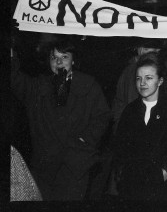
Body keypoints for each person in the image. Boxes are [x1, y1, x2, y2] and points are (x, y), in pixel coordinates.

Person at [11, 39, 111, 200]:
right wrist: (10, 51)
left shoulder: (88, 85)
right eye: (53, 57)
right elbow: (13, 78)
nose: (58, 62)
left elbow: (103, 116)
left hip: (75, 166)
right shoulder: (37, 86)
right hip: (45, 168)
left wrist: (85, 139)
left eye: (64, 57)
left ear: (73, 60)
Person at [113, 52, 167, 200]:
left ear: (160, 81)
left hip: (165, 187)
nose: (142, 83)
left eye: (149, 78)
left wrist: (166, 171)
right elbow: (120, 148)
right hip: (133, 187)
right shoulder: (130, 110)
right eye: (139, 78)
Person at [112, 39, 167, 128]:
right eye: (146, 48)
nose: (142, 83)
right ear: (138, 49)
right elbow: (119, 108)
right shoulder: (128, 73)